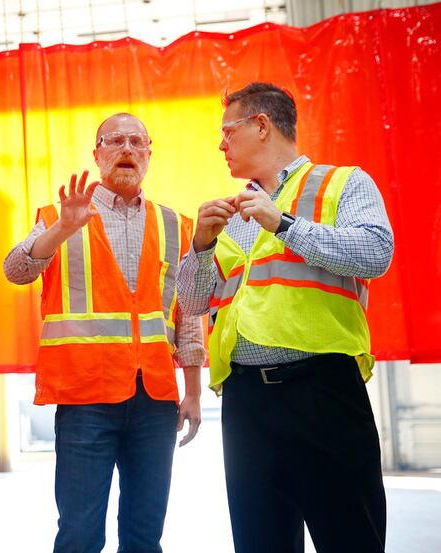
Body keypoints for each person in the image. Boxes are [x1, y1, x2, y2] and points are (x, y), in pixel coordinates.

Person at [177, 82, 393, 553]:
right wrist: (200, 245)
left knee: (350, 538)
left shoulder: (344, 183)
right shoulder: (231, 215)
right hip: (246, 404)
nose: (220, 145)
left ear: (261, 125)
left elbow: (376, 253)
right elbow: (193, 304)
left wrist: (285, 224)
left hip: (324, 393)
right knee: (260, 541)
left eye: (227, 131)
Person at [4, 113, 205, 553]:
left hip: (154, 399)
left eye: (137, 142)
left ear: (150, 154)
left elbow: (189, 313)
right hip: (85, 398)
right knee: (78, 534)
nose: (127, 150)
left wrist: (192, 392)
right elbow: (15, 270)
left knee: (144, 533)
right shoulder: (61, 215)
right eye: (115, 141)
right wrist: (61, 229)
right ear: (97, 155)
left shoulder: (176, 224)